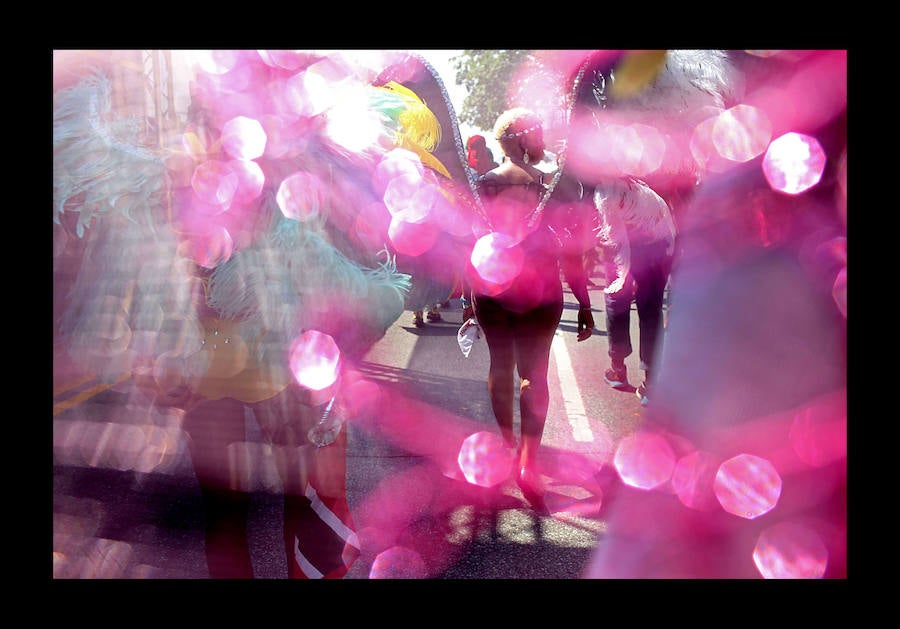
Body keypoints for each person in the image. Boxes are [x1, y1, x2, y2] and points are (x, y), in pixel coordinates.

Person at [468, 107, 595, 513]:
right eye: (538, 133)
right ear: (524, 139)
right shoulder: (551, 185)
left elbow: (470, 240)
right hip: (541, 288)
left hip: (491, 286)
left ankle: (507, 452)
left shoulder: (482, 184)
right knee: (534, 375)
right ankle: (529, 463)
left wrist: (470, 293)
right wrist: (584, 300)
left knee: (500, 366)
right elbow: (571, 248)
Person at [594, 176, 677, 406]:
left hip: (637, 247)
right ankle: (650, 383)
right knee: (650, 312)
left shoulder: (605, 187)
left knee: (617, 302)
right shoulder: (644, 175)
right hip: (659, 247)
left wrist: (626, 273)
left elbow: (617, 235)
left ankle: (618, 369)